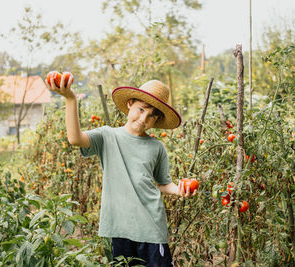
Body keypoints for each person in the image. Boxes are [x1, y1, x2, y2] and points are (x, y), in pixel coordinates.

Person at [46, 76, 198, 266]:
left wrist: (179, 189)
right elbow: (75, 139)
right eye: (141, 109)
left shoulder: (156, 147)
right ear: (130, 104)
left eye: (151, 115)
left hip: (151, 228)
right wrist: (70, 99)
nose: (143, 118)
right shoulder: (107, 136)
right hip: (118, 228)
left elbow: (163, 183)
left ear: (157, 119)